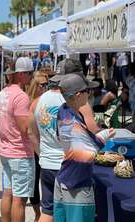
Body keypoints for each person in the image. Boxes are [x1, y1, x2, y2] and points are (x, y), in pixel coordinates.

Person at [29, 59, 100, 222]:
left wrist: (43, 154)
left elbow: (30, 133)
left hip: (47, 163)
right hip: (68, 167)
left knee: (48, 212)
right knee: (73, 216)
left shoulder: (38, 100)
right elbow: (91, 133)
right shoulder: (77, 101)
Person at [55, 73, 115, 222]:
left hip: (63, 178)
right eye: (87, 91)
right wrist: (104, 135)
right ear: (77, 95)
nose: (90, 94)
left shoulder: (64, 110)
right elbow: (88, 153)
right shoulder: (73, 123)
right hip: (76, 185)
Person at [0, 57, 34, 222]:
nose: (31, 77)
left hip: (5, 149)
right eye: (29, 73)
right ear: (21, 74)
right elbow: (25, 129)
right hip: (19, 152)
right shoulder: (21, 96)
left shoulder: (4, 92)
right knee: (20, 198)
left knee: (7, 193)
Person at [26, 71, 49, 222]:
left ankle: (45, 213)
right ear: (36, 85)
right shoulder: (28, 102)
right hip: (32, 147)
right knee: (33, 183)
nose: (46, 87)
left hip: (46, 145)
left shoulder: (48, 100)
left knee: (46, 181)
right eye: (43, 85)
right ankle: (37, 214)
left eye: (48, 84)